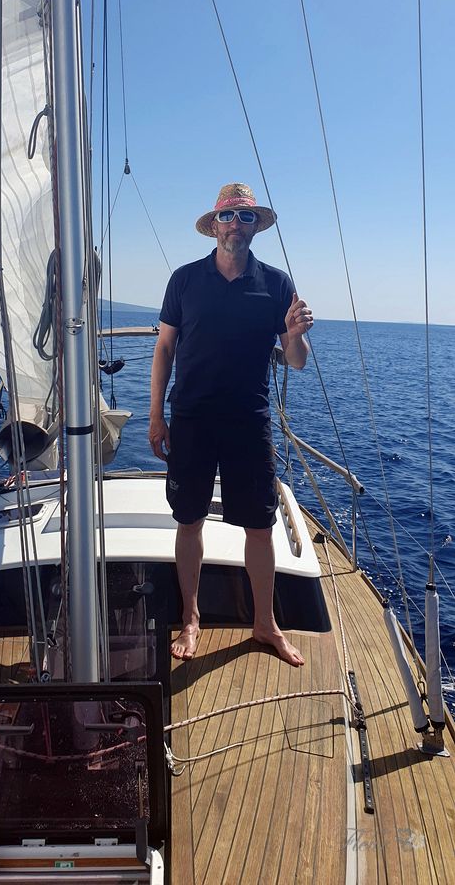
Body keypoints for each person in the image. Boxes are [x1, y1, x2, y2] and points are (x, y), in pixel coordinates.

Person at [149, 182, 313, 665]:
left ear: (255, 227)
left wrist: (296, 335)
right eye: (227, 216)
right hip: (192, 419)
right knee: (189, 520)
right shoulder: (184, 280)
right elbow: (164, 348)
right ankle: (190, 618)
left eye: (244, 217)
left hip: (249, 422)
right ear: (214, 225)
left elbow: (297, 360)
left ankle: (265, 624)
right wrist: (156, 416)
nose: (235, 225)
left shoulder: (277, 284)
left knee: (260, 526)